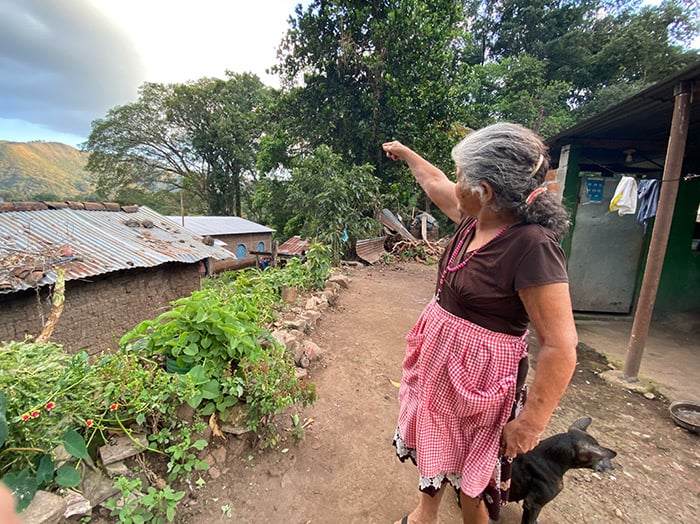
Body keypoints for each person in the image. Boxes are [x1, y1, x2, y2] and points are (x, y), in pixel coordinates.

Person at [382, 122, 578, 524]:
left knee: (474, 477)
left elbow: (561, 345)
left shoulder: (533, 247)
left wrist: (531, 424)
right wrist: (406, 153)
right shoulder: (475, 219)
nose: (454, 183)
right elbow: (435, 183)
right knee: (434, 440)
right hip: (440, 368)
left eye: (462, 178)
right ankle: (426, 513)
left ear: (485, 192)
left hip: (480, 381)